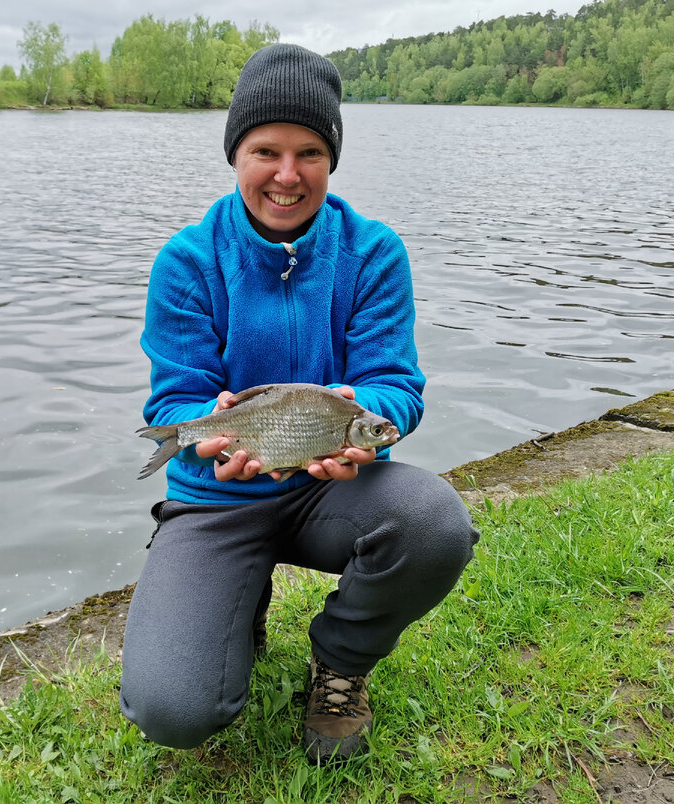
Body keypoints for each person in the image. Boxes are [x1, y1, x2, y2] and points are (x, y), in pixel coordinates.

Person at [120, 43, 479, 765]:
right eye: (266, 151)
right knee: (173, 709)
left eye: (310, 152)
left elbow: (395, 387)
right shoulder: (187, 261)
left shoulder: (372, 253)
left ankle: (340, 662)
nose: (287, 175)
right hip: (216, 496)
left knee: (436, 522)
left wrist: (365, 420)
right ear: (235, 155)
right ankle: (233, 599)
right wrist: (211, 433)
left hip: (330, 490)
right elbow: (181, 396)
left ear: (332, 159)